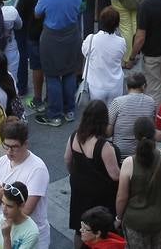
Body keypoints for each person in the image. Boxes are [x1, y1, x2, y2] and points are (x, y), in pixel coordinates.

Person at [0, 120, 51, 249]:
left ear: (25, 144)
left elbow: (26, 210)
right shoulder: (1, 163)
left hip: (30, 236)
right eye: (6, 146)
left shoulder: (37, 169)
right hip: (5, 231)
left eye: (14, 147)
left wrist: (0, 196)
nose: (9, 152)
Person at [65, 101, 120, 249]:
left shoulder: (74, 136)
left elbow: (67, 159)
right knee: (99, 229)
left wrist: (75, 176)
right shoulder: (104, 146)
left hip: (79, 190)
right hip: (99, 196)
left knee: (79, 228)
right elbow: (115, 175)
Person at [115, 117, 161, 249]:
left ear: (135, 136)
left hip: (135, 222)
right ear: (153, 134)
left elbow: (121, 198)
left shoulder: (129, 163)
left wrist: (118, 218)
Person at [0, 181, 39, 249]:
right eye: (3, 203)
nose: (4, 209)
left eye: (9, 206)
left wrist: (6, 237)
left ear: (21, 206)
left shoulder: (31, 232)